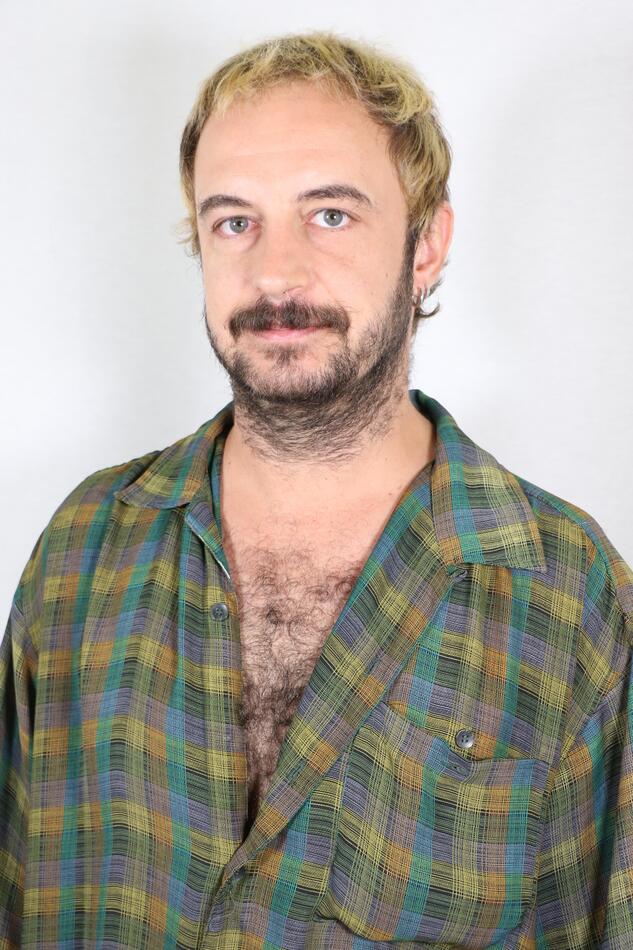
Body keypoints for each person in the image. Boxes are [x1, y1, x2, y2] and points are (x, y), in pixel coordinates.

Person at [1, 29, 631, 950]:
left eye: (330, 214)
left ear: (425, 246)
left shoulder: (568, 597)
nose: (274, 274)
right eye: (234, 221)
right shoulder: (82, 554)